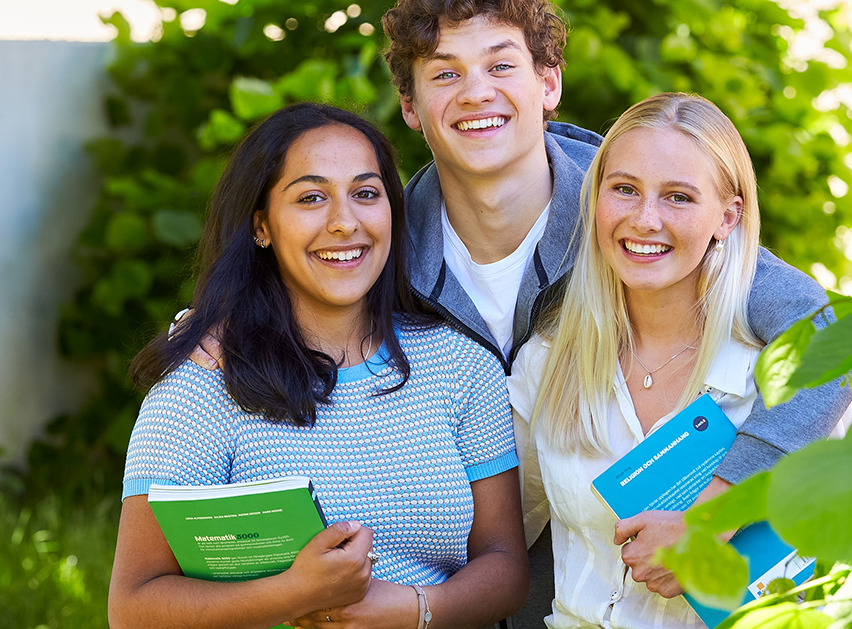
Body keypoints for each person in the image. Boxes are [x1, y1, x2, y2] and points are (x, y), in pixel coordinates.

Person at [190, 1, 852, 624]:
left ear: (550, 84)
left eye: (501, 65)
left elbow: (824, 340)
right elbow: (288, 280)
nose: (476, 91)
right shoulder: (376, 246)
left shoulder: (632, 205)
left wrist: (719, 503)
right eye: (445, 72)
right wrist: (226, 325)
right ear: (410, 105)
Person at [108, 102, 528, 629]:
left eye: (365, 193)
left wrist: (416, 610)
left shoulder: (460, 365)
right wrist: (292, 594)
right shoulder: (205, 379)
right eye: (311, 197)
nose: (344, 222)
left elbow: (505, 567)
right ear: (262, 226)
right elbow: (133, 607)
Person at [506, 92, 851, 628]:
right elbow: (501, 542)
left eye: (679, 197)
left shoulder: (784, 380)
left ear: (728, 216)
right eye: (624, 189)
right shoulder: (544, 364)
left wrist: (713, 516)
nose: (645, 220)